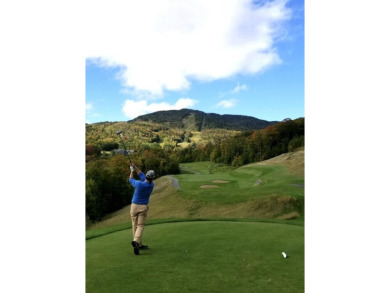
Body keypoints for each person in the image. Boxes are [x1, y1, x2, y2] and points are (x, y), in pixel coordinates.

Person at [129, 162, 156, 255]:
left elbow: (130, 179)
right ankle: (137, 242)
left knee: (135, 225)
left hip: (134, 206)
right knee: (140, 225)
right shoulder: (151, 185)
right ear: (152, 178)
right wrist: (134, 166)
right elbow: (141, 175)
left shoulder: (139, 184)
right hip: (143, 207)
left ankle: (138, 244)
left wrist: (132, 170)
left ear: (147, 176)